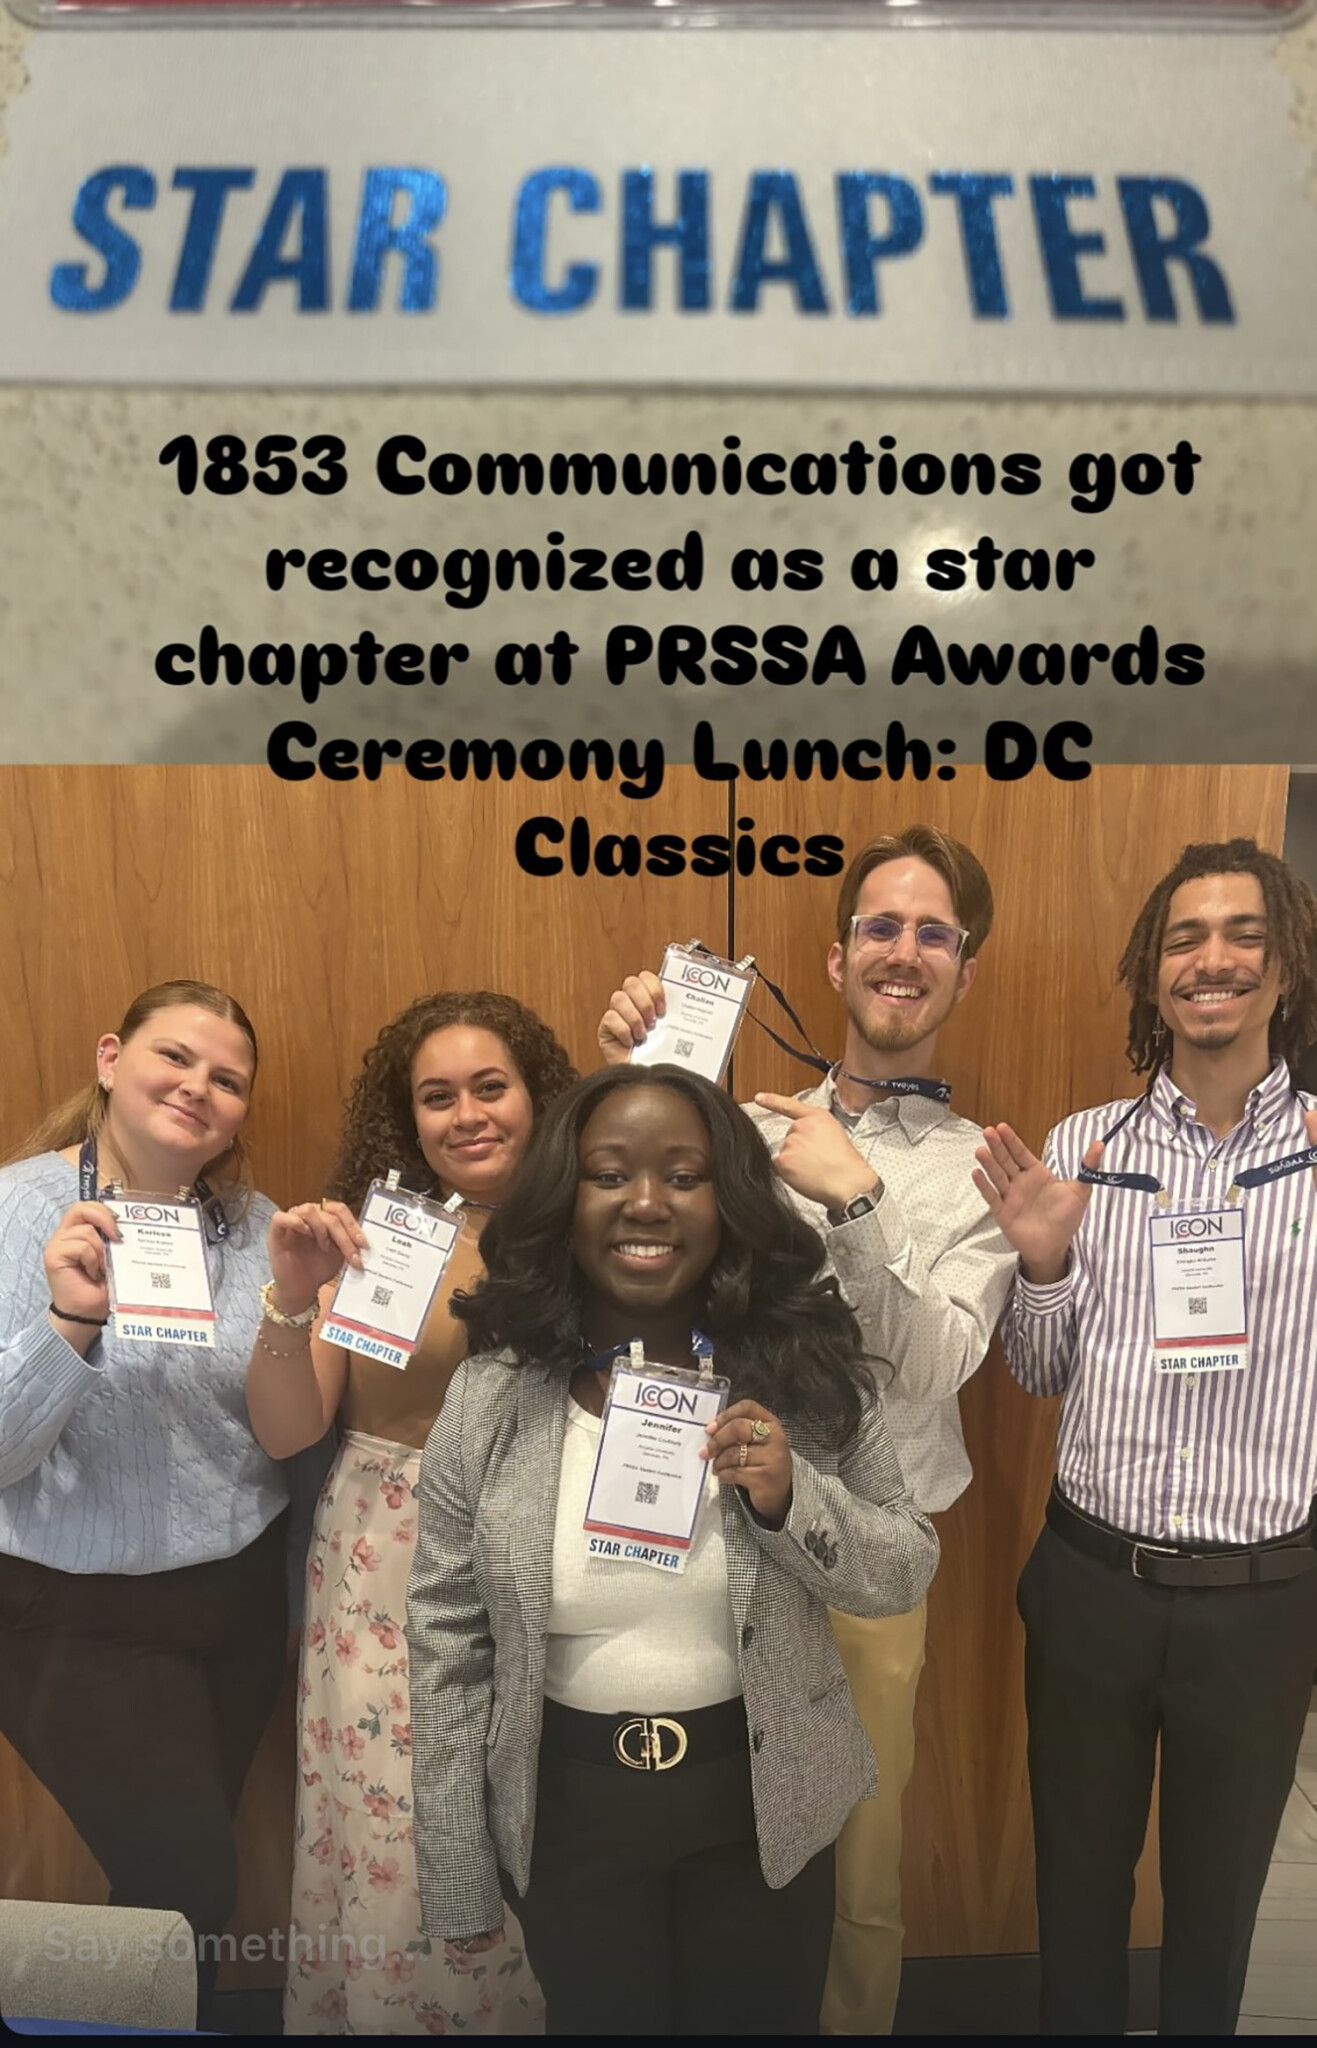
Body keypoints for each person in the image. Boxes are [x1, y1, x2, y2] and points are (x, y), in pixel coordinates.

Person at [407, 1064, 940, 2038]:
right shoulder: (493, 1391)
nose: (646, 1199)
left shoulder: (798, 1364)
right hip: (569, 1827)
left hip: (762, 1821)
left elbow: (906, 1561)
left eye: (684, 1174)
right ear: (566, 1199)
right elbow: (446, 1633)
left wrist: (790, 1496)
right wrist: (457, 1871)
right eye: (610, 1173)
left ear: (729, 1198)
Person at [597, 826, 1016, 2034]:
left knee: (859, 1876)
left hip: (867, 1565)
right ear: (834, 960)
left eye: (934, 932)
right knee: (717, 1854)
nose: (905, 951)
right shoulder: (738, 1127)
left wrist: (861, 1200)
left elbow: (932, 1367)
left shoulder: (975, 1172)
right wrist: (634, 1052)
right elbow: (634, 1247)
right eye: (882, 926)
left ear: (963, 971)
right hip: (704, 1538)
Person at [976, 838, 1317, 2036]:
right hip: (1090, 1582)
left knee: (1217, 1902)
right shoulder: (1081, 1152)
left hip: (1262, 1600)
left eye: (1242, 936)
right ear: (1151, 972)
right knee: (1075, 1885)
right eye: (1184, 937)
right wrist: (1045, 1261)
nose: (1211, 959)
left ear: (1285, 969)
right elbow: (1037, 1366)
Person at [245, 990, 575, 2036]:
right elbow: (294, 1430)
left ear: (538, 1094)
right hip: (386, 1554)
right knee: (401, 1829)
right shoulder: (379, 1239)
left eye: (491, 1086)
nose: (467, 1113)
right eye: (437, 1096)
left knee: (529, 1819)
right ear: (408, 1118)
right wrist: (293, 1300)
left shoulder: (602, 1212)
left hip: (553, 1549)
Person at [0, 979, 286, 2031]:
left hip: (236, 1600)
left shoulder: (253, 1229)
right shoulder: (14, 1211)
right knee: (189, 1883)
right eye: (176, 1058)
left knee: (182, 1906)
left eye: (228, 1079)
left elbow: (273, 1422)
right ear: (112, 1057)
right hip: (71, 1614)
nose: (197, 1088)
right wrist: (71, 1321)